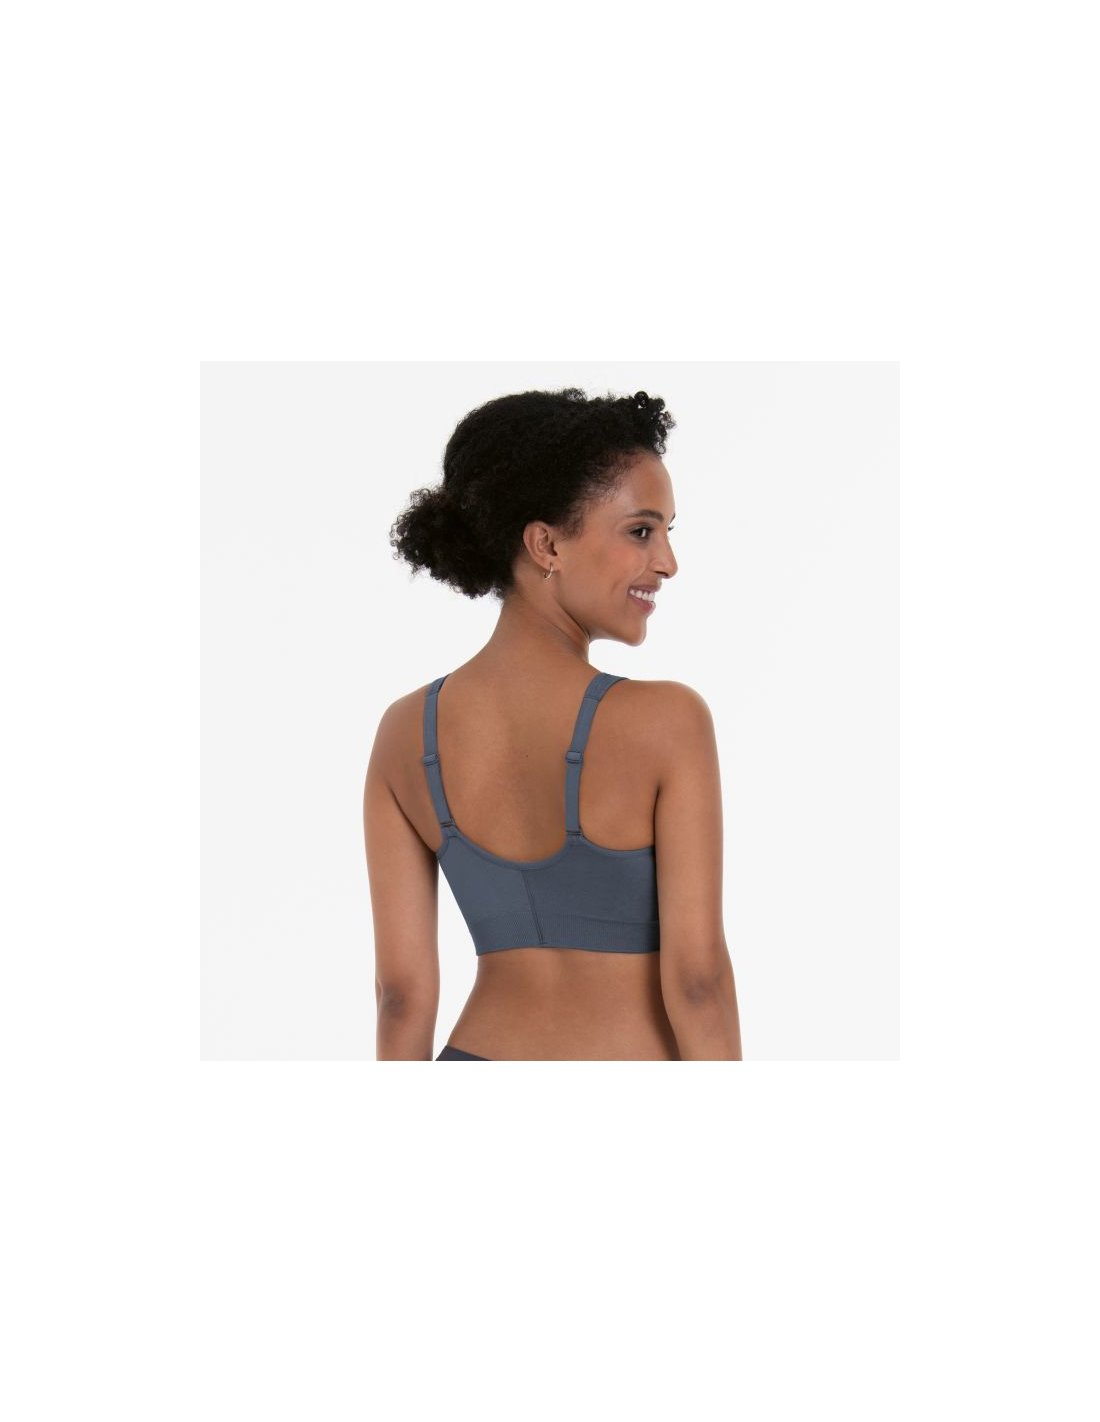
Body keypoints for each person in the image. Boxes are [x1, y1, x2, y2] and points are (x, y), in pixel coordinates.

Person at [363, 387, 742, 1060]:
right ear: (545, 544)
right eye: (641, 531)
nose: (667, 562)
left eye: (667, 533)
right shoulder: (667, 721)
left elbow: (401, 997)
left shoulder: (404, 732)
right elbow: (698, 983)